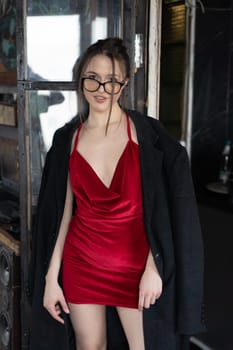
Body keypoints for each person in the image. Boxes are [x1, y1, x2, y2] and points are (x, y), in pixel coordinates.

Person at [29, 38, 205, 350]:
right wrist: (50, 278)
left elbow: (167, 212)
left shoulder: (149, 137)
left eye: (111, 81)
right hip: (81, 263)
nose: (101, 88)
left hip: (136, 268)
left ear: (123, 85)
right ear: (81, 78)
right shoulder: (67, 139)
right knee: (90, 346)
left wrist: (155, 266)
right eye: (93, 77)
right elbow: (62, 215)